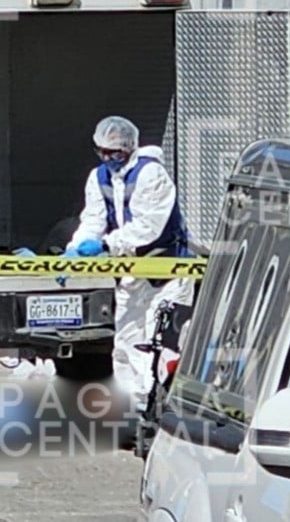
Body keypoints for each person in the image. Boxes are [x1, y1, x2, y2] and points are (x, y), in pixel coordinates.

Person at [65, 116, 195, 408]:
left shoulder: (151, 174)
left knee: (160, 340)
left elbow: (149, 226)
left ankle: (159, 404)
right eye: (102, 152)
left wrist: (106, 244)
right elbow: (93, 219)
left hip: (167, 271)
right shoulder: (99, 178)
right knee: (126, 341)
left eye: (115, 153)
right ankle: (131, 408)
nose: (108, 158)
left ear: (129, 148)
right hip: (130, 273)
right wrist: (73, 252)